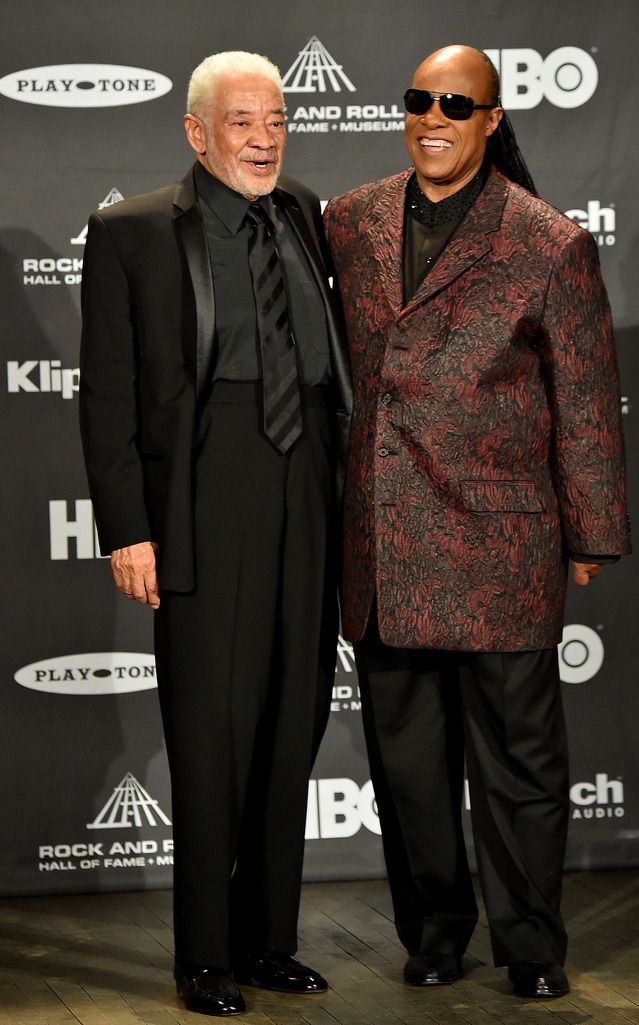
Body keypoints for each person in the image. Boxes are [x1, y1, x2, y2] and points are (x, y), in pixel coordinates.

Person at [324, 44, 629, 1001]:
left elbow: (582, 397)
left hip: (501, 543)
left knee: (518, 767)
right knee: (409, 767)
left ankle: (531, 944)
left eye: (455, 103)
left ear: (492, 121)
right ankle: (434, 931)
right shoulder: (348, 219)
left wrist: (591, 532)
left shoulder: (547, 241)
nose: (433, 117)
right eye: (418, 99)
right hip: (388, 539)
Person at [80, 50, 351, 1017]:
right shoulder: (133, 231)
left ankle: (268, 939)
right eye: (242, 122)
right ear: (196, 132)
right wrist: (129, 529)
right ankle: (204, 955)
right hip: (204, 490)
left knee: (292, 722)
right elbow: (108, 393)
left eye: (276, 119)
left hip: (308, 479)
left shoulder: (307, 214)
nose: (265, 138)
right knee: (208, 731)